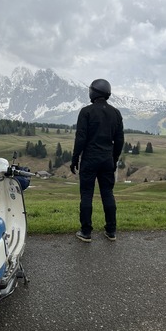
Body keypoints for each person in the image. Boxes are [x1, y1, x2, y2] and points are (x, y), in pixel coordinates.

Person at [70, 79, 124, 242]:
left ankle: (86, 232)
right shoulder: (116, 113)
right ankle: (111, 231)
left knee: (86, 194)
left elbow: (80, 138)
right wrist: (114, 158)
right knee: (108, 193)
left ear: (93, 92)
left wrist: (75, 159)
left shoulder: (86, 112)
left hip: (90, 159)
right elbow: (120, 139)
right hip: (107, 159)